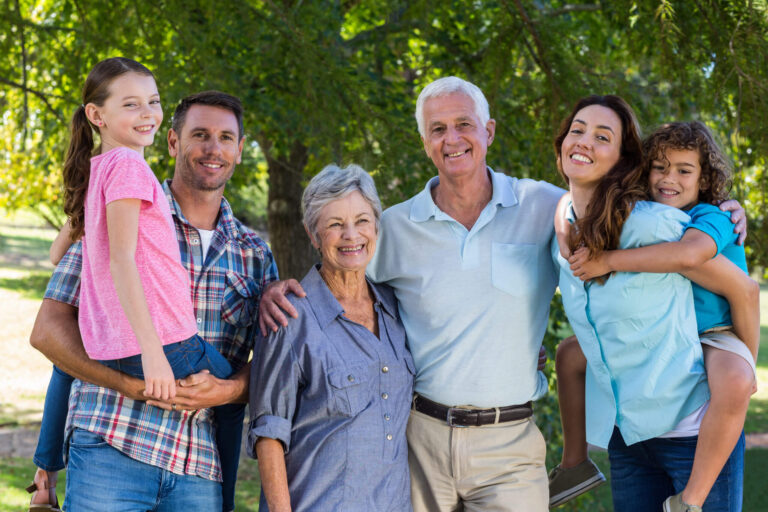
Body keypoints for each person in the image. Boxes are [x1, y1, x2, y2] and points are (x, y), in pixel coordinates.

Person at [258, 79, 748, 511]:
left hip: (510, 443)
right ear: (426, 141)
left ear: (488, 131)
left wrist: (721, 210)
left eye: (464, 124)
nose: (453, 139)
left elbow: (662, 228)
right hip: (420, 438)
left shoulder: (544, 206)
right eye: (438, 128)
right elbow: (343, 263)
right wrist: (281, 291)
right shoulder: (395, 228)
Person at [29, 89, 276, 511]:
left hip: (199, 465)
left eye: (226, 138)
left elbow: (270, 364)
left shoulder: (255, 254)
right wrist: (130, 385)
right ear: (174, 142)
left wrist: (227, 389)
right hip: (113, 441)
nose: (214, 148)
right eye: (200, 134)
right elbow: (48, 332)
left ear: (238, 150)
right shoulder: (126, 207)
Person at [551, 96, 748, 512]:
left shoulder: (667, 225)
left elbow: (739, 287)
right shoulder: (572, 218)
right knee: (569, 353)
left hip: (696, 402)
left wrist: (743, 354)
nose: (668, 179)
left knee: (734, 379)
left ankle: (690, 501)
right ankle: (574, 462)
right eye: (577, 130)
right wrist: (563, 219)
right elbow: (564, 206)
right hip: (630, 434)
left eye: (602, 136)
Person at [248, 163, 414, 511]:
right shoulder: (288, 316)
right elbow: (268, 433)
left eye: (362, 220)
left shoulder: (397, 306)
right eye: (335, 224)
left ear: (376, 227)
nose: (352, 235)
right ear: (313, 234)